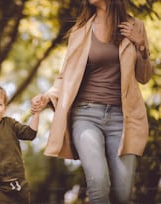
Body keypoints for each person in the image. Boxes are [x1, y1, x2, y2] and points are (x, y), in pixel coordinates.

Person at [31, 0, 153, 203]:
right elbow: (65, 77)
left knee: (123, 195)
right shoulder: (80, 31)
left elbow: (144, 76)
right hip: (86, 116)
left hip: (122, 119)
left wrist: (140, 44)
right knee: (98, 183)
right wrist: (47, 96)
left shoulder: (135, 26)